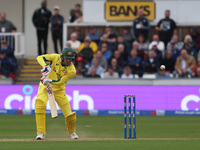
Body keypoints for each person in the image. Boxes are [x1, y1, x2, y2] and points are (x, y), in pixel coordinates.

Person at [35, 47, 78, 140]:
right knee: (39, 104)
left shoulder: (72, 70)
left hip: (59, 89)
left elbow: (60, 81)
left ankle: (72, 132)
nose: (69, 61)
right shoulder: (55, 57)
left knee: (69, 114)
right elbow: (39, 57)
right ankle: (41, 133)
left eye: (71, 59)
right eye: (67, 58)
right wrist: (45, 66)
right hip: (44, 87)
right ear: (62, 57)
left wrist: (49, 80)